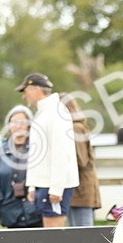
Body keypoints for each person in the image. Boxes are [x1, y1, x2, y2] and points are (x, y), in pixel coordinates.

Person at [17, 73, 78, 229]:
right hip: (44, 184)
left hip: (53, 186)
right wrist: (32, 185)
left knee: (54, 235)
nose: (24, 96)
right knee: (47, 233)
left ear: (36, 89)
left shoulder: (56, 111)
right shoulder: (43, 112)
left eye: (25, 91)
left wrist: (57, 188)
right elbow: (37, 154)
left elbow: (61, 152)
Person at [0, 105, 42, 229]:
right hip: (10, 214)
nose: (18, 125)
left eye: (22, 121)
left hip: (36, 213)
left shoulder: (37, 148)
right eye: (14, 122)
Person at [63, 95, 102, 227]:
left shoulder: (75, 128)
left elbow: (81, 160)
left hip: (81, 190)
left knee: (82, 237)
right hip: (76, 191)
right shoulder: (73, 127)